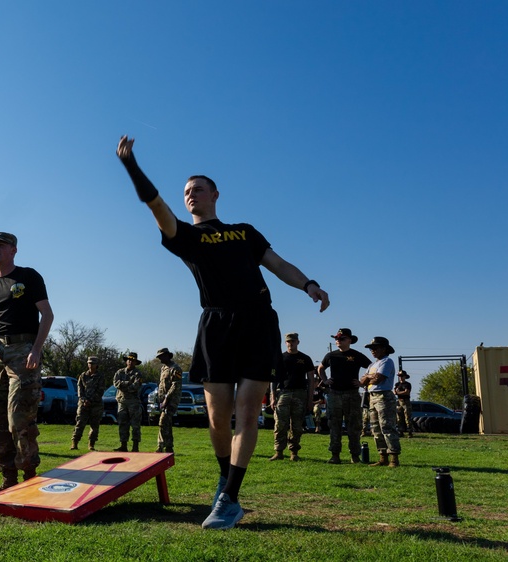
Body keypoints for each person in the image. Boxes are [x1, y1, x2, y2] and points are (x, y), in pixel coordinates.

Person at [116, 136, 330, 530]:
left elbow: (278, 264)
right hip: (216, 324)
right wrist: (131, 166)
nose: (190, 195)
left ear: (215, 194)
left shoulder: (245, 232)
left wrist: (308, 284)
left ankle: (230, 497)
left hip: (258, 321)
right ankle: (224, 477)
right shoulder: (185, 236)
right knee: (218, 418)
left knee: (247, 411)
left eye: (197, 188)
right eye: (186, 192)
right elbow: (155, 205)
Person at [0, 232, 54, 497]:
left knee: (18, 417)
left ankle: (30, 476)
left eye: (1, 246)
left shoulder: (29, 276)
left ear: (14, 250)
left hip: (24, 350)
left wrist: (36, 349)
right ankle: (8, 478)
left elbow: (47, 314)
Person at [317, 328, 372, 465]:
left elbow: (372, 367)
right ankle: (335, 455)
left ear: (349, 340)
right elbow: (320, 368)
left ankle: (355, 456)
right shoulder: (331, 355)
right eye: (336, 338)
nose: (338, 341)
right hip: (334, 394)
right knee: (334, 425)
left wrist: (362, 382)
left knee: (354, 426)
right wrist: (324, 380)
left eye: (341, 339)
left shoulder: (356, 355)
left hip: (352, 394)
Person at [270, 333, 316, 461]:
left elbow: (311, 379)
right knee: (280, 424)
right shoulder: (280, 358)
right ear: (285, 343)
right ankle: (278, 452)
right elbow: (273, 379)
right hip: (283, 393)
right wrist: (272, 397)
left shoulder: (305, 358)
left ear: (298, 342)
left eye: (293, 341)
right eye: (288, 342)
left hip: (300, 393)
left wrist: (310, 399)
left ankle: (294, 452)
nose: (291, 344)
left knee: (296, 426)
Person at [359, 337, 402, 467]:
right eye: (371, 348)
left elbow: (378, 379)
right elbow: (362, 382)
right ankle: (382, 457)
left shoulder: (387, 361)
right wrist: (368, 377)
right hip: (371, 397)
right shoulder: (373, 365)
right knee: (375, 428)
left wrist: (368, 377)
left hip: (384, 397)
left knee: (387, 427)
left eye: (375, 348)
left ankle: (394, 458)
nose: (372, 351)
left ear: (384, 349)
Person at [71, 356, 106, 451]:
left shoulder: (100, 376)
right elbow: (80, 390)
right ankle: (74, 443)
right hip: (83, 404)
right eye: (89, 363)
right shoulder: (83, 375)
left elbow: (100, 391)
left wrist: (91, 400)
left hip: (96, 405)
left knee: (94, 426)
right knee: (79, 423)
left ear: (96, 365)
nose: (91, 365)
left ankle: (91, 444)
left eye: (93, 363)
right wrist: (84, 400)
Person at [113, 353, 145, 452]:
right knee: (123, 423)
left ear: (135, 362)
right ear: (126, 361)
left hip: (133, 402)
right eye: (128, 360)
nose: (130, 362)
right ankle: (123, 445)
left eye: (132, 360)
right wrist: (127, 383)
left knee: (135, 425)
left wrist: (124, 387)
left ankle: (135, 446)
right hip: (122, 401)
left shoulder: (138, 374)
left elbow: (136, 386)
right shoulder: (120, 372)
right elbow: (115, 383)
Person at [155, 348, 183, 454]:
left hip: (171, 400)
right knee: (167, 423)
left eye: (161, 356)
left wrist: (167, 398)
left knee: (162, 422)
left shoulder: (175, 368)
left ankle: (160, 446)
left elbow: (175, 385)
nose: (160, 359)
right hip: (163, 400)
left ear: (167, 356)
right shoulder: (163, 368)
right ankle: (169, 447)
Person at [394, 370, 414, 438]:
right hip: (399, 401)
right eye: (399, 376)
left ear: (405, 376)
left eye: (402, 376)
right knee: (399, 417)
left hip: (406, 401)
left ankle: (410, 432)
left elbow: (407, 392)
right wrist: (398, 392)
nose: (400, 377)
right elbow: (394, 391)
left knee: (407, 417)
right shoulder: (397, 384)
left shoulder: (407, 384)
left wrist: (398, 392)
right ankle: (400, 431)